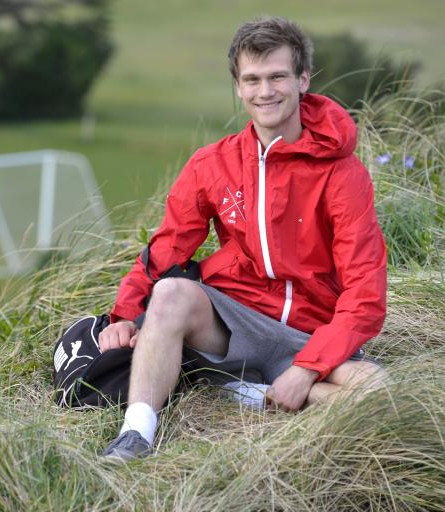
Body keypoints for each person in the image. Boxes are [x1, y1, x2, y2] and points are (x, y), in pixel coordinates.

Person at [98, 16, 388, 462]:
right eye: (251, 79)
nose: (265, 92)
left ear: (303, 79)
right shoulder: (211, 164)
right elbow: (168, 247)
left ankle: (250, 392)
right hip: (238, 322)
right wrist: (123, 313)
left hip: (312, 332)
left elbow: (365, 295)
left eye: (277, 77)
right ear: (238, 86)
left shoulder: (342, 173)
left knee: (379, 393)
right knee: (172, 293)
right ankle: (136, 434)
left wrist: (309, 369)